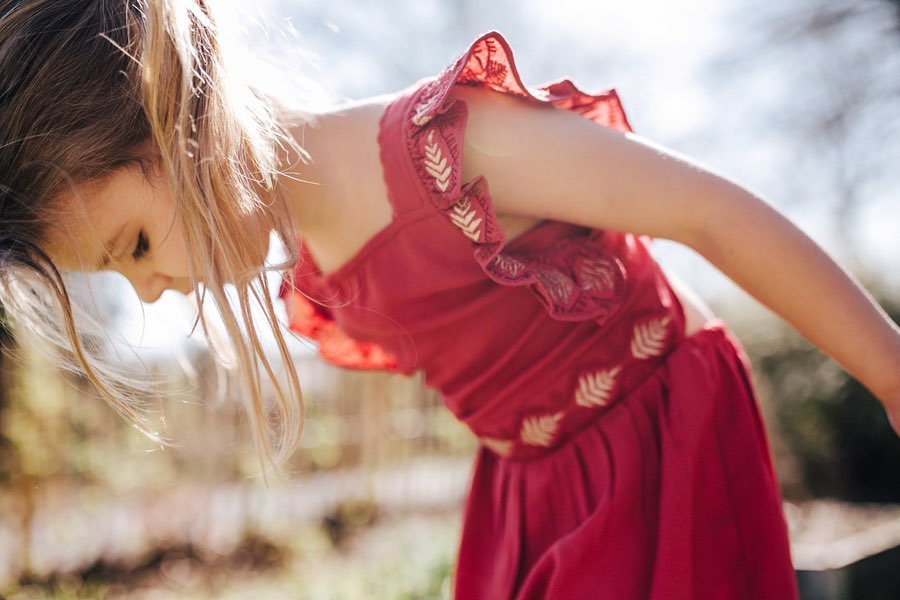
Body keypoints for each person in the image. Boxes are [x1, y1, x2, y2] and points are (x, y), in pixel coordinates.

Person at [1, 1, 898, 598]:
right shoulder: (315, 262)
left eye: (138, 245)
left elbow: (708, 211)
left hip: (659, 447)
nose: (149, 291)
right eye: (118, 274)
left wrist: (891, 374)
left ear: (180, 112)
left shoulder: (443, 150)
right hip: (524, 495)